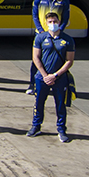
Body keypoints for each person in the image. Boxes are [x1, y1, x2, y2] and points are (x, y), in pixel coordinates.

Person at [29, 12, 75, 143]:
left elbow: (69, 61)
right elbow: (35, 57)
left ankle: (61, 129)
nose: (53, 24)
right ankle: (36, 126)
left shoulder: (67, 39)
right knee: (38, 102)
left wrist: (55, 75)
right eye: (50, 22)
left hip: (59, 78)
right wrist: (45, 75)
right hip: (41, 78)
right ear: (46, 23)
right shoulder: (40, 38)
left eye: (55, 21)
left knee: (60, 104)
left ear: (59, 22)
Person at [28, 0, 70, 94]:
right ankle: (32, 84)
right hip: (41, 34)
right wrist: (41, 30)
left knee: (56, 60)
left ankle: (54, 83)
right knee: (36, 60)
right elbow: (35, 15)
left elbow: (66, 18)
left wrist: (59, 30)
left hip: (56, 35)